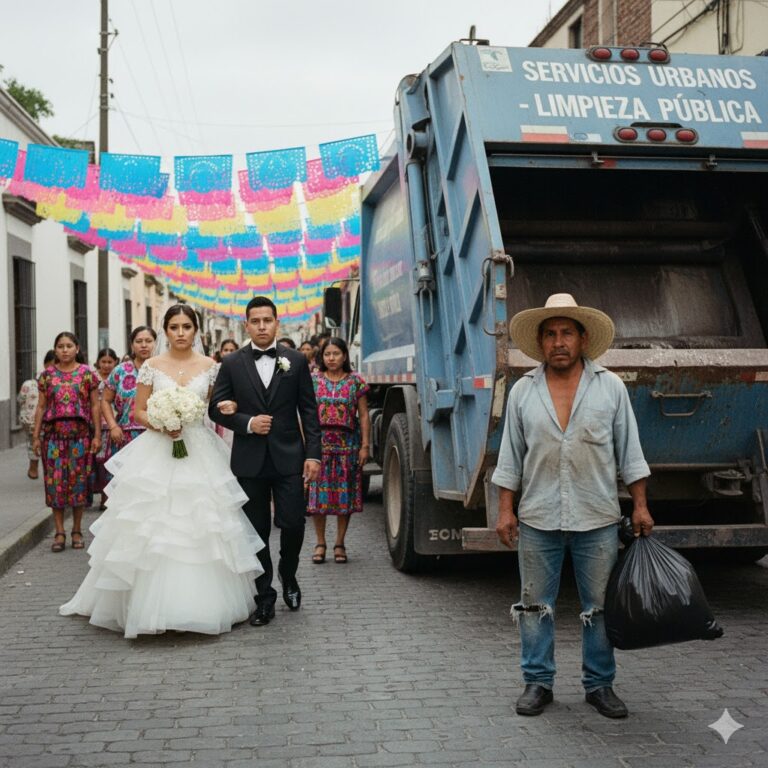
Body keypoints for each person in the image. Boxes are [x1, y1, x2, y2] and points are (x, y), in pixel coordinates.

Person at [493, 293, 654, 720]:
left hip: (597, 515)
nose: (558, 341)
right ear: (541, 342)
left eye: (567, 333)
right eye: (550, 334)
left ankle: (600, 685)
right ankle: (537, 682)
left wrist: (640, 506)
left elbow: (630, 454)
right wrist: (505, 510)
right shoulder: (523, 392)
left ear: (583, 339)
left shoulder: (611, 388)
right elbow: (510, 457)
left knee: (598, 607)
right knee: (533, 605)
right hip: (538, 516)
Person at [59, 305, 264, 638]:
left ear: (196, 330)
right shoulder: (152, 367)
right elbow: (139, 411)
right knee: (152, 524)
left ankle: (202, 605)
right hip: (158, 448)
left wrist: (229, 408)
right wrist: (162, 422)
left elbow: (217, 407)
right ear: (165, 330)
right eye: (174, 327)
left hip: (199, 448)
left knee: (202, 525)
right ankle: (143, 604)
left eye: (186, 326)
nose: (180, 332)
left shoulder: (212, 367)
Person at [209, 296, 322, 627]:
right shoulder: (231, 363)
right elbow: (216, 408)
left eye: (267, 321)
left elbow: (309, 412)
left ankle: (289, 574)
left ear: (277, 323)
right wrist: (246, 422)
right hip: (249, 460)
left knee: (292, 522)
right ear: (247, 325)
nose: (261, 326)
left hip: (290, 458)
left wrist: (313, 453)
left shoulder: (296, 361)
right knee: (255, 531)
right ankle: (264, 596)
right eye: (255, 321)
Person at [31, 333, 102, 552]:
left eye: (69, 346)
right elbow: (41, 407)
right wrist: (36, 435)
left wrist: (97, 435)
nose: (64, 350)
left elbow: (95, 406)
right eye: (60, 346)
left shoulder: (87, 374)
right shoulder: (47, 376)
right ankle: (59, 532)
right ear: (55, 350)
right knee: (55, 485)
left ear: (77, 348)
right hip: (53, 438)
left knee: (79, 484)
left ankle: (77, 530)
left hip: (80, 437)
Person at [306, 337, 370, 564]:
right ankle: (320, 542)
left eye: (336, 353)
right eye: (327, 354)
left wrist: (365, 446)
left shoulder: (356, 382)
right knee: (318, 497)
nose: (331, 358)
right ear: (321, 357)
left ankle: (340, 543)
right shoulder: (313, 380)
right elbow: (306, 414)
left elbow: (363, 416)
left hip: (348, 446)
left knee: (345, 497)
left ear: (344, 355)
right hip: (319, 446)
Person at [102, 327, 157, 461]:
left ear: (156, 343)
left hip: (157, 435)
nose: (144, 345)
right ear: (132, 345)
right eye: (139, 341)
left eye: (148, 341)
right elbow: (105, 400)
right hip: (124, 435)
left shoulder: (162, 369)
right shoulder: (120, 370)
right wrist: (113, 426)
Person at [17, 349, 55, 480]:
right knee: (33, 441)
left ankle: (46, 467)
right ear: (45, 365)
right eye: (52, 364)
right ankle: (33, 465)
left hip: (50, 421)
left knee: (49, 445)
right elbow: (21, 399)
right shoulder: (31, 383)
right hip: (32, 420)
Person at [92, 348, 119, 510]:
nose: (107, 365)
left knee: (110, 461)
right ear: (98, 362)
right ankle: (100, 493)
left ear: (115, 362)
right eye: (104, 362)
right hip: (98, 426)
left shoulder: (118, 377)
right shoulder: (93, 379)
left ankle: (107, 497)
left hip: (115, 425)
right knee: (99, 463)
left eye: (110, 362)